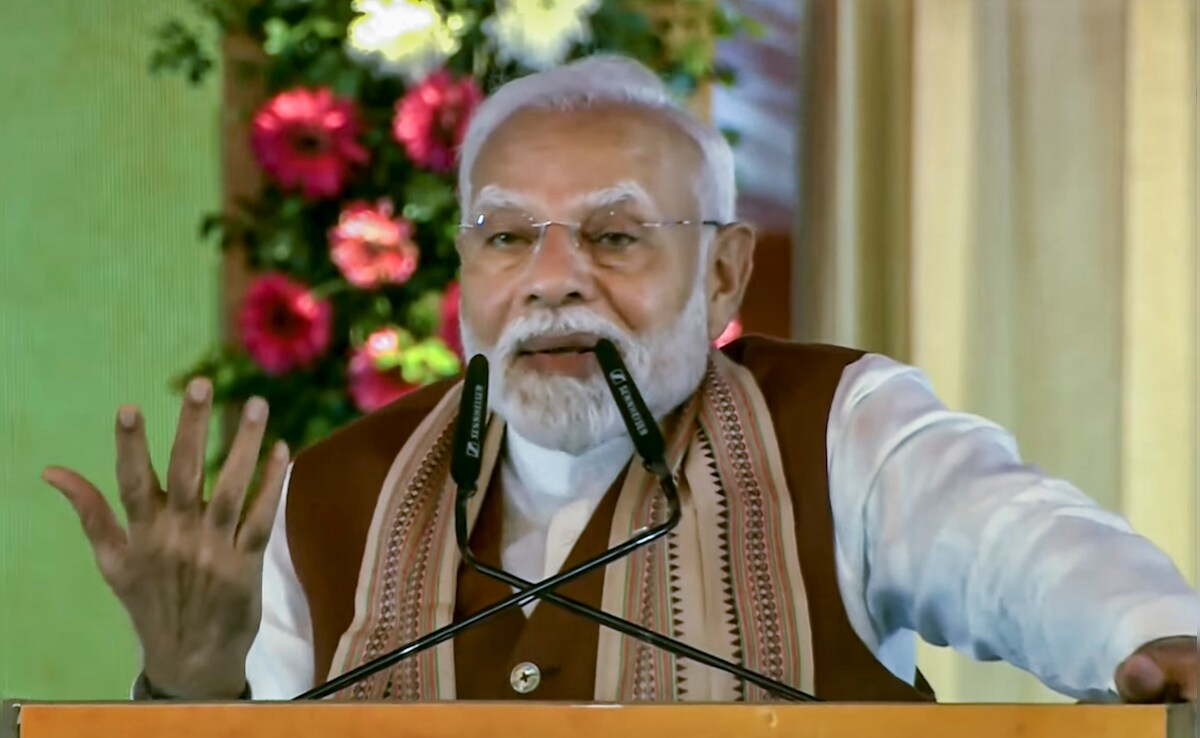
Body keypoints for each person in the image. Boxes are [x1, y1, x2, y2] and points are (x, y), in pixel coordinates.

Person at [44, 55, 1198, 704]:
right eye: (507, 237)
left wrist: (1149, 639)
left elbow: (1023, 547)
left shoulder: (839, 428)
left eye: (614, 235)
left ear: (724, 270)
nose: (553, 282)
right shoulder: (333, 491)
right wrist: (186, 688)